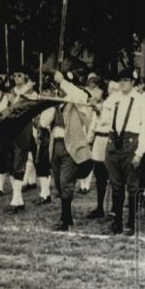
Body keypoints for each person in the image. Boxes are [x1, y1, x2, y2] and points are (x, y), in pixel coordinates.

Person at [103, 67, 145, 235]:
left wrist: (140, 152)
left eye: (126, 81)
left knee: (132, 185)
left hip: (131, 143)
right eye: (120, 81)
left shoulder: (141, 100)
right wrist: (100, 110)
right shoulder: (113, 99)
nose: (122, 84)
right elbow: (104, 120)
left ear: (133, 82)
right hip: (114, 143)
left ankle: (132, 223)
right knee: (116, 185)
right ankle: (117, 222)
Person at [47, 70, 93, 230]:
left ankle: (65, 220)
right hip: (56, 145)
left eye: (62, 85)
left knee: (65, 182)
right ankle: (66, 216)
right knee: (59, 184)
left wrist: (64, 82)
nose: (60, 88)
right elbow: (44, 122)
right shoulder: (56, 102)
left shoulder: (77, 102)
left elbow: (80, 95)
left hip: (71, 146)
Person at [4, 69, 38, 214]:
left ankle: (15, 200)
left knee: (19, 162)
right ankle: (19, 201)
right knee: (10, 164)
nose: (17, 78)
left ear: (26, 77)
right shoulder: (11, 93)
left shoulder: (31, 93)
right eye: (15, 75)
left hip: (23, 129)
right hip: (10, 130)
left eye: (20, 75)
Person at [85, 79, 116, 221]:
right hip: (98, 142)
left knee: (114, 177)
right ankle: (100, 207)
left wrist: (98, 111)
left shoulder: (119, 107)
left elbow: (104, 120)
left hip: (111, 141)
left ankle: (115, 209)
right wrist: (89, 140)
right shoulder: (102, 105)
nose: (113, 92)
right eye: (111, 89)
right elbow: (94, 124)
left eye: (115, 90)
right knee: (100, 176)